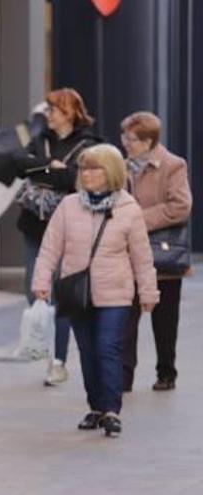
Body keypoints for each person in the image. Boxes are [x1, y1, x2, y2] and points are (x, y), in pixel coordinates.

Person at [33, 144, 158, 437]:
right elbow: (50, 247)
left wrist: (149, 293)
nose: (87, 174)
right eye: (84, 168)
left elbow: (142, 256)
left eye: (94, 168)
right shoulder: (68, 206)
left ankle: (112, 410)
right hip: (77, 292)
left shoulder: (128, 210)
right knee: (88, 352)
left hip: (115, 293)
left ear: (111, 172)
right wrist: (40, 281)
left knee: (107, 348)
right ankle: (97, 407)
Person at [14, 88, 103, 386]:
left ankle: (59, 361)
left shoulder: (88, 145)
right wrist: (51, 170)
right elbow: (21, 165)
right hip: (34, 225)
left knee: (62, 294)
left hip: (67, 227)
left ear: (68, 112)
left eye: (53, 110)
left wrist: (49, 172)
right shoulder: (41, 139)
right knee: (34, 289)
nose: (47, 115)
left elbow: (77, 180)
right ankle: (45, 347)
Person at [119, 112, 192, 392]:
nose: (126, 143)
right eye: (124, 137)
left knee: (164, 319)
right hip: (129, 256)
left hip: (163, 255)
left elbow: (180, 207)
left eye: (131, 138)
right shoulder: (123, 166)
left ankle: (166, 372)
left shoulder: (173, 165)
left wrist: (138, 219)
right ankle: (125, 375)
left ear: (148, 141)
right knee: (127, 316)